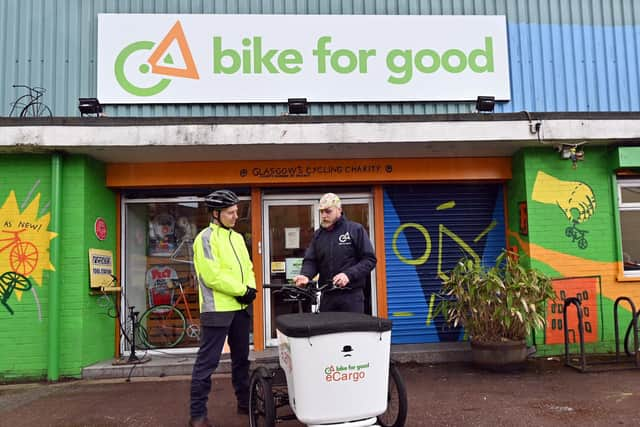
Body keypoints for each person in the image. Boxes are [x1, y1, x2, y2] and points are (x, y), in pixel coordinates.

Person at [189, 189, 257, 427]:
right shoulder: (205, 238)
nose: (235, 216)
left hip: (240, 308)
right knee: (207, 363)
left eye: (236, 211)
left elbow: (248, 267)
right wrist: (241, 290)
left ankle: (244, 403)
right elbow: (211, 276)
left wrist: (251, 288)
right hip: (217, 309)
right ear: (216, 214)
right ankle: (197, 415)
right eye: (230, 212)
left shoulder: (237, 238)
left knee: (242, 359)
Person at [294, 192, 376, 313]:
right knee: (328, 332)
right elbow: (311, 261)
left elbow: (369, 260)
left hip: (352, 296)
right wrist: (305, 275)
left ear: (339, 210)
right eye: (321, 211)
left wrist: (348, 275)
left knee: (351, 331)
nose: (324, 215)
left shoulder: (355, 229)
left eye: (328, 211)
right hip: (327, 296)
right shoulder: (318, 235)